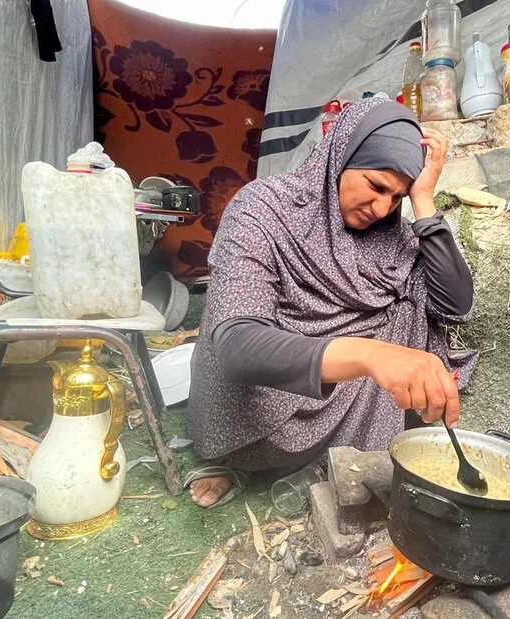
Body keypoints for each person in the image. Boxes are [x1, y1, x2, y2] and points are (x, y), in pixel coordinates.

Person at [184, 97, 477, 508]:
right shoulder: (263, 208)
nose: (381, 209)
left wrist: (424, 201)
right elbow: (237, 346)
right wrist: (372, 355)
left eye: (397, 197)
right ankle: (237, 457)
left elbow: (455, 306)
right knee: (231, 311)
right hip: (266, 405)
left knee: (405, 308)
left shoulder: (391, 236)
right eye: (376, 186)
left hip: (348, 401)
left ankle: (343, 461)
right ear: (341, 155)